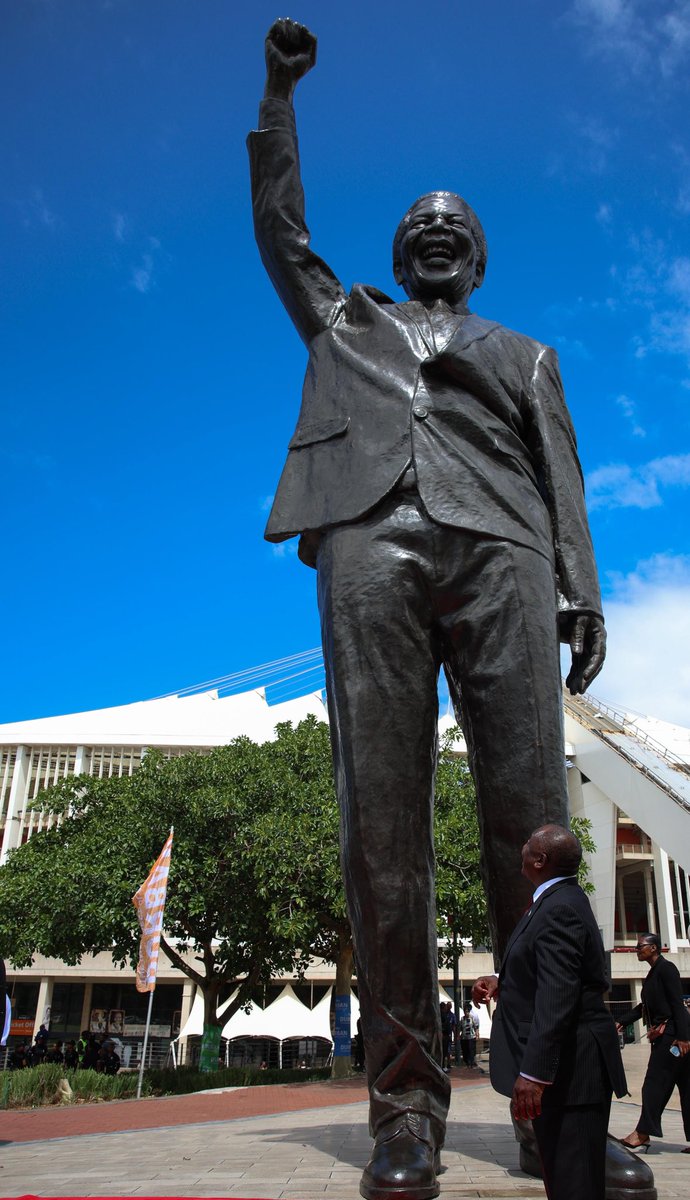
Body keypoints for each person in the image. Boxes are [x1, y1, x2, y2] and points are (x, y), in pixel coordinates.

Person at [249, 21, 605, 1199]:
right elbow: (282, 232)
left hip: (504, 550)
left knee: (536, 831)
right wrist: (278, 96)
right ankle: (403, 1106)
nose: (436, 230)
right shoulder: (348, 321)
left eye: (456, 224)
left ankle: (562, 1106)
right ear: (400, 253)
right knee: (381, 830)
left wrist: (582, 588)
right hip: (369, 547)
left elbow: (564, 475)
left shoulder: (528, 355)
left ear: (479, 257)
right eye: (419, 224)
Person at [473, 825, 627, 1200]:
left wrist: (535, 1074)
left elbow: (558, 995)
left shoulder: (560, 908)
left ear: (540, 860)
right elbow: (549, 970)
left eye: (528, 844)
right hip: (566, 1071)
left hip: (571, 1073)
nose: (521, 846)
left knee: (573, 1182)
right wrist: (501, 980)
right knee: (562, 1178)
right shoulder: (554, 900)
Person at [615, 932, 690, 1152]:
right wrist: (621, 1021)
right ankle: (644, 1132)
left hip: (673, 1037)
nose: (637, 950)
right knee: (687, 1088)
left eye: (640, 947)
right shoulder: (653, 974)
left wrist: (684, 1037)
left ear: (654, 948)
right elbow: (644, 1007)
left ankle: (642, 1133)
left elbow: (677, 1005)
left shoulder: (667, 970)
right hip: (671, 1036)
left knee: (653, 1085)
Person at [459, 1002, 479, 1069]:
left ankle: (471, 1063)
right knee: (465, 1051)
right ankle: (467, 1063)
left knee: (471, 1050)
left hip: (471, 1037)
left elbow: (476, 1027)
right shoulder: (462, 1019)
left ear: (469, 1011)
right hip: (464, 1038)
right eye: (465, 1011)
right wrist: (458, 1035)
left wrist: (477, 1034)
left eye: (467, 1011)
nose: (466, 1013)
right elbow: (460, 1028)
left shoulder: (472, 1018)